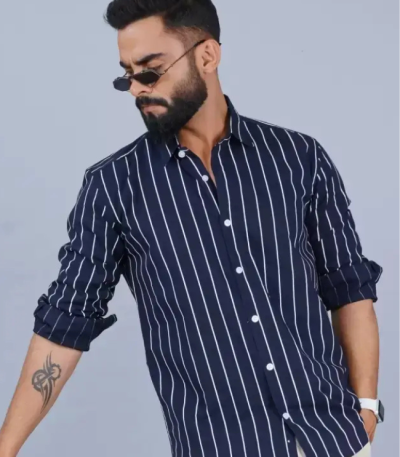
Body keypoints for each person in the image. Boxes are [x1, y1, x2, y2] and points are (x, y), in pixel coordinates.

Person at [0, 1, 384, 456]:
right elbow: (67, 322)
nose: (136, 89)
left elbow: (349, 289)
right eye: (127, 76)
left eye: (150, 71)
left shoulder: (298, 158)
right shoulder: (114, 187)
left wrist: (366, 407)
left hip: (333, 439)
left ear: (207, 56)